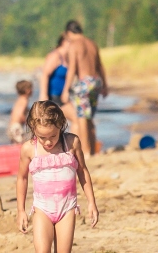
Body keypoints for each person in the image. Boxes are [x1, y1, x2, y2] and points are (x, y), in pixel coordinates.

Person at [15, 100, 99, 253]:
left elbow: (82, 171)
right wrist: (20, 210)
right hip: (42, 209)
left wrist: (91, 202)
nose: (48, 142)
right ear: (33, 129)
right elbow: (22, 178)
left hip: (67, 209)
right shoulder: (28, 149)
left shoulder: (71, 143)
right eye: (42, 137)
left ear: (61, 125)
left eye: (53, 136)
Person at [58, 20, 107, 155]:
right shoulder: (92, 43)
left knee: (82, 118)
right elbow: (100, 66)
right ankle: (92, 150)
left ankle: (86, 152)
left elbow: (72, 68)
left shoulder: (75, 44)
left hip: (83, 83)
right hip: (96, 81)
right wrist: (105, 85)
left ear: (69, 33)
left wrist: (65, 90)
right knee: (89, 117)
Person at [37, 36, 67, 103]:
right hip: (52, 95)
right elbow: (45, 74)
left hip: (61, 96)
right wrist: (43, 94)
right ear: (64, 42)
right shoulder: (55, 56)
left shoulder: (66, 57)